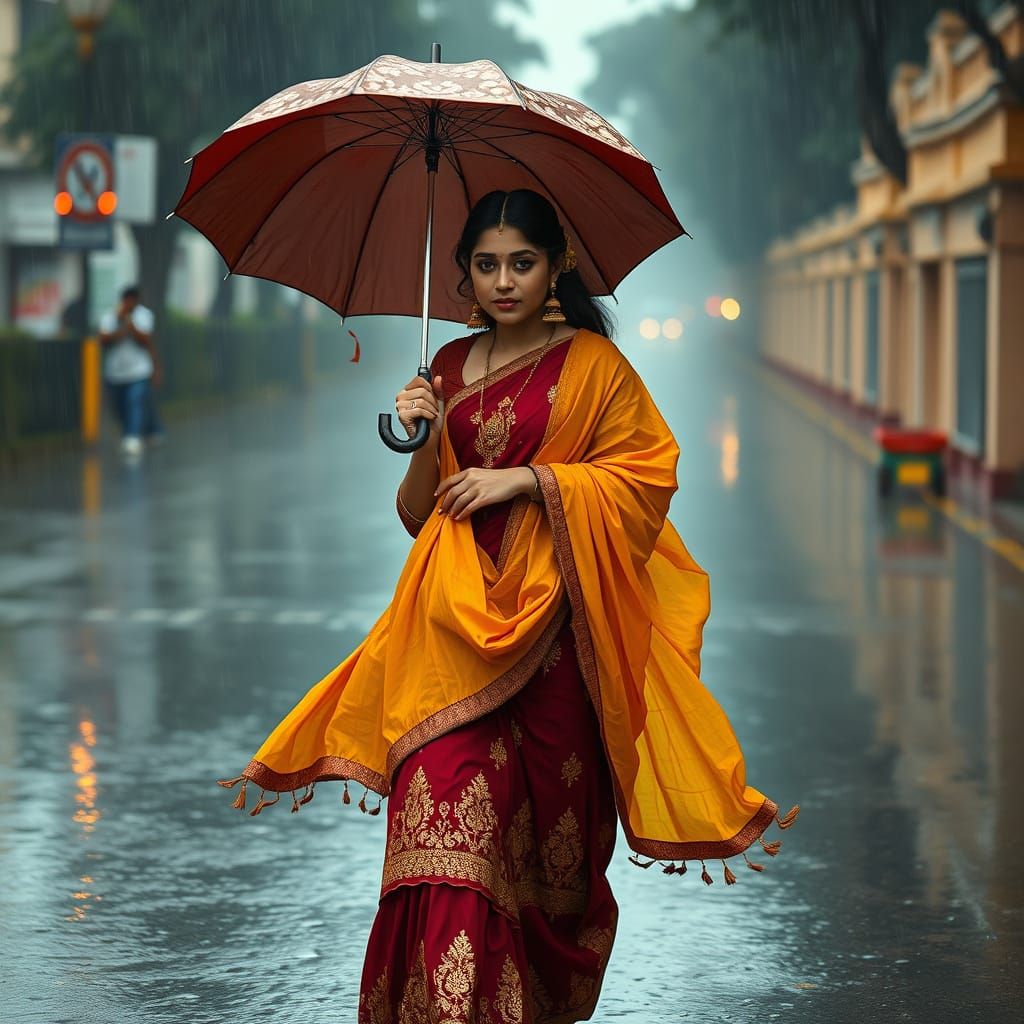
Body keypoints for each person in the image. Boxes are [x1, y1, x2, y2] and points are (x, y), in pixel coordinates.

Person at [217, 189, 797, 1023]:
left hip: (557, 641)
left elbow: (648, 481)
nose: (503, 281)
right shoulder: (444, 370)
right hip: (450, 637)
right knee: (441, 825)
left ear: (555, 264)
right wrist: (420, 433)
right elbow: (422, 515)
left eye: (520, 262)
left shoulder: (595, 367)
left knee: (548, 879)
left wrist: (529, 479)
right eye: (485, 265)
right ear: (464, 274)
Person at [98, 285, 164, 457]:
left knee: (134, 402)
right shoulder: (110, 316)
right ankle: (149, 429)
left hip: (139, 372)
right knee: (120, 407)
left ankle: (132, 437)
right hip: (115, 373)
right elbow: (103, 340)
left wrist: (130, 325)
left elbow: (146, 340)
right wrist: (119, 327)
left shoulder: (144, 316)